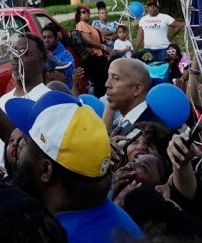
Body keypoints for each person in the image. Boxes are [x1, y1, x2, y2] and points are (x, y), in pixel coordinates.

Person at [10, 101, 141, 241]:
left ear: (45, 169)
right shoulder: (115, 216)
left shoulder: (56, 237)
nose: (18, 151)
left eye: (24, 143)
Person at [103, 58, 160, 137]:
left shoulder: (151, 133)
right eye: (108, 77)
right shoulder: (123, 122)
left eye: (116, 78)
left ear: (137, 89)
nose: (107, 84)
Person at [133, 0, 180, 65]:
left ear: (158, 7)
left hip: (163, 49)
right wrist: (136, 48)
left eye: (154, 6)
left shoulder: (165, 17)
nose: (152, 7)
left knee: (164, 68)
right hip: (147, 50)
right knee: (149, 68)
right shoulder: (143, 19)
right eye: (150, 6)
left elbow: (177, 26)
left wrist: (171, 36)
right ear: (147, 8)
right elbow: (140, 34)